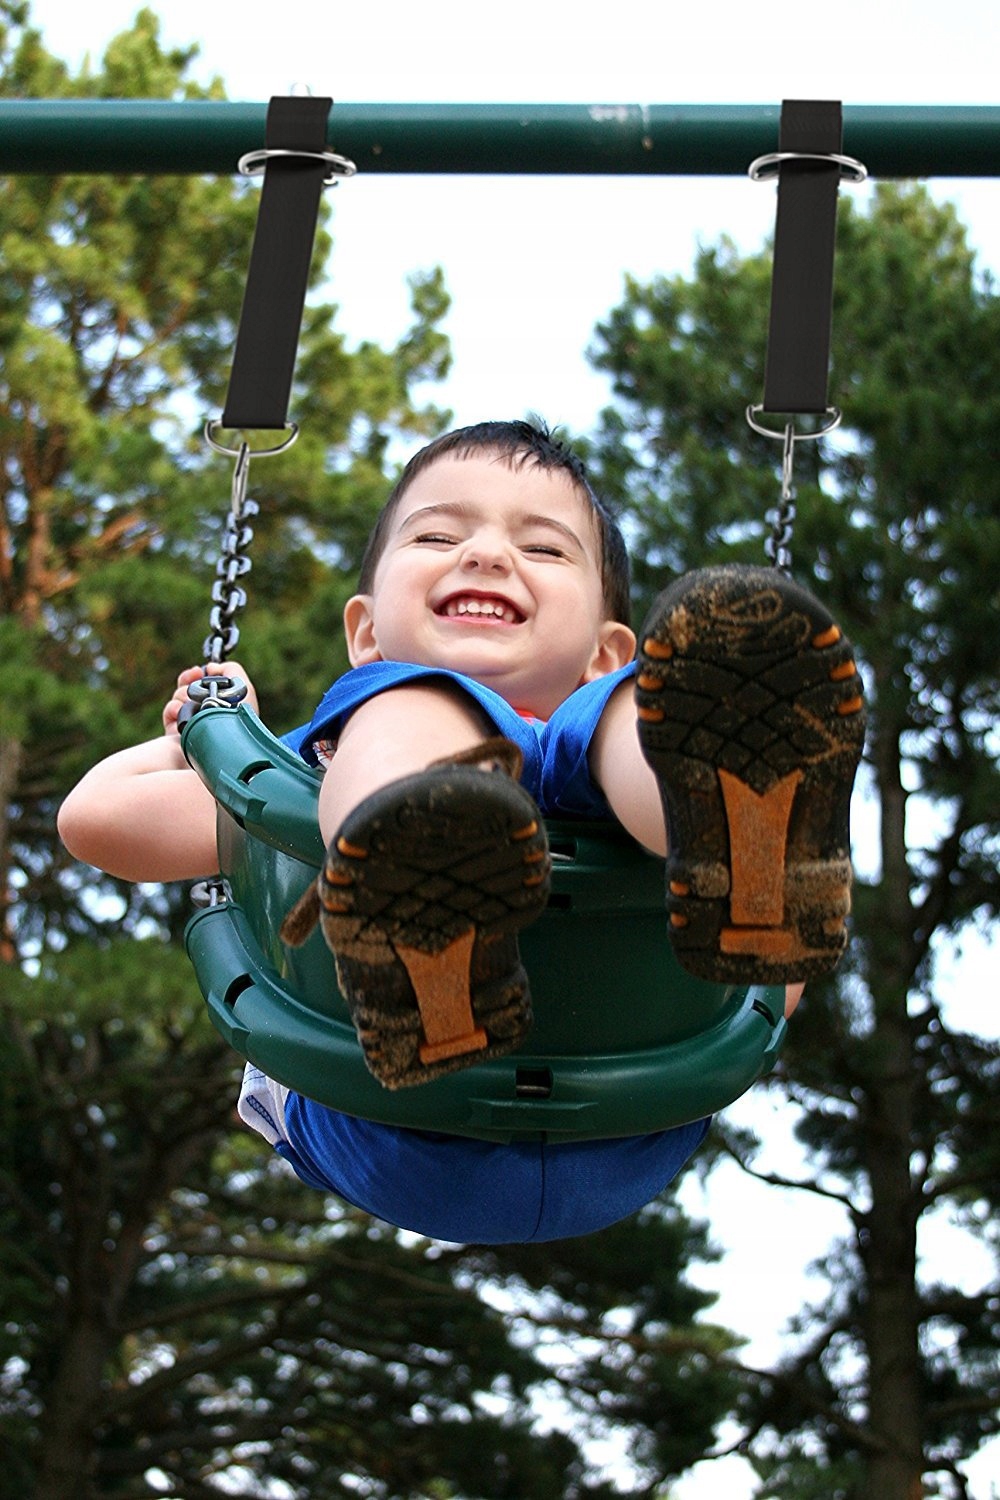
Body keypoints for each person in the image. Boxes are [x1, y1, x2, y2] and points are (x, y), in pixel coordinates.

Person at [58, 419, 865, 1243]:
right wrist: (208, 738)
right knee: (414, 710)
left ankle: (739, 823)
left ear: (600, 647)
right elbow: (97, 824)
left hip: (635, 1096)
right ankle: (423, 892)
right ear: (367, 633)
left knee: (644, 712)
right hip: (382, 1106)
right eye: (439, 534)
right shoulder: (326, 759)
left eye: (545, 550)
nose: (484, 554)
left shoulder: (603, 702)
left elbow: (777, 980)